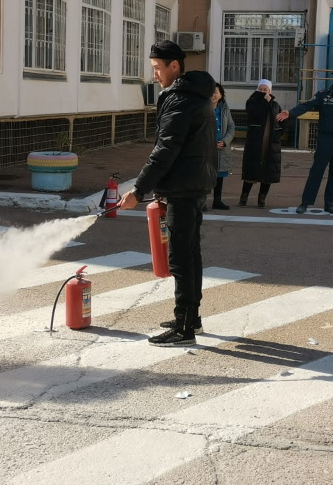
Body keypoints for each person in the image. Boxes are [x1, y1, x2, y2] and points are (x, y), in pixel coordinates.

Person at [119, 40, 216, 346]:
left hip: (185, 188)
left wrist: (139, 190)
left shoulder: (182, 99)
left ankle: (184, 328)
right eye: (154, 68)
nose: (155, 75)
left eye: (159, 68)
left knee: (181, 259)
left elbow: (166, 149)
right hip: (191, 183)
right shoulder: (192, 95)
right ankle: (191, 318)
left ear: (175, 65)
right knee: (190, 254)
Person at [277, 66, 333, 214]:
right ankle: (305, 203)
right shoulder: (323, 95)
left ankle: (329, 203)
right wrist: (290, 113)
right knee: (317, 172)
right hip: (325, 139)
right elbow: (306, 106)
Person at [239, 78, 283, 208]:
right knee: (251, 170)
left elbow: (282, 121)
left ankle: (262, 198)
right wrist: (264, 101)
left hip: (271, 143)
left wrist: (279, 134)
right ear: (257, 89)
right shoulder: (252, 102)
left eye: (266, 89)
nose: (263, 91)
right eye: (261, 89)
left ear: (270, 91)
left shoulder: (275, 105)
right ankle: (244, 196)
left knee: (267, 173)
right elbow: (255, 114)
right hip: (255, 142)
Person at [211, 82, 235, 210]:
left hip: (222, 147)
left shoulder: (224, 108)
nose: (213, 95)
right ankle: (202, 202)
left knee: (219, 174)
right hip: (207, 148)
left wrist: (225, 141)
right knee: (206, 175)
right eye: (210, 92)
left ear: (220, 94)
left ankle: (217, 201)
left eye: (215, 92)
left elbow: (231, 127)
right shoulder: (203, 108)